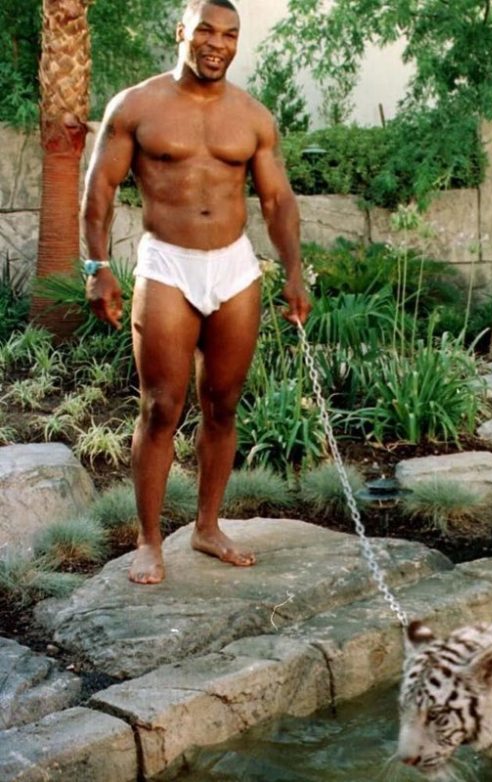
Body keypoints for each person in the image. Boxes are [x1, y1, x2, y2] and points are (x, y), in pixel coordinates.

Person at [82, 0, 311, 585]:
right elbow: (100, 187)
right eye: (206, 30)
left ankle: (208, 527)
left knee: (223, 405)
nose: (217, 43)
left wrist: (293, 270)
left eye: (229, 34)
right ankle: (149, 539)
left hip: (234, 267)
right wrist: (97, 266)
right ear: (182, 31)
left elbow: (277, 199)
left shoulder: (253, 117)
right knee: (161, 406)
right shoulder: (136, 106)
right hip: (168, 265)